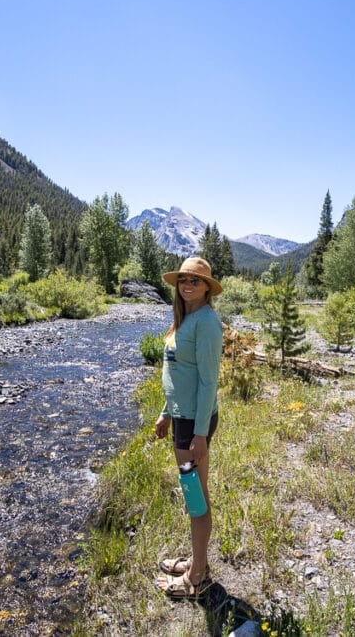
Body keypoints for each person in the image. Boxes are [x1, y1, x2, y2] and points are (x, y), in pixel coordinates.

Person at [153, 256, 223, 600]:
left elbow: (209, 382)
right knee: (193, 492)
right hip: (181, 420)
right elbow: (179, 375)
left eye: (195, 281)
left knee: (196, 496)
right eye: (183, 279)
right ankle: (198, 562)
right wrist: (166, 412)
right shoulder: (186, 319)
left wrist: (198, 434)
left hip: (193, 424)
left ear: (207, 288)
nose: (187, 285)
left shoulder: (207, 322)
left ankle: (197, 577)